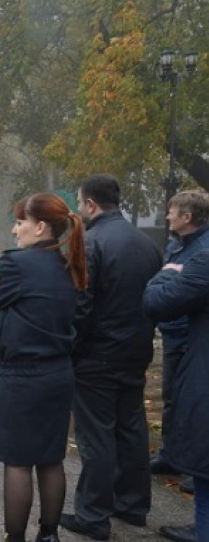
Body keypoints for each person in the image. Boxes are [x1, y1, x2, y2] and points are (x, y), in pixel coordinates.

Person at [0, 193, 87, 542]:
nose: (14, 230)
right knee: (50, 459)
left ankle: (15, 538)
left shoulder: (15, 265)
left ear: (40, 227)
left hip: (22, 376)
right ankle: (49, 535)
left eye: (20, 222)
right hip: (59, 374)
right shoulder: (69, 264)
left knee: (19, 461)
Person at [60, 174, 162, 541]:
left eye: (78, 201)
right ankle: (133, 506)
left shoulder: (88, 243)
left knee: (96, 435)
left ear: (90, 204)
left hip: (97, 356)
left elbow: (81, 306)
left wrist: (69, 347)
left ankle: (92, 515)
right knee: (131, 429)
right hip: (135, 350)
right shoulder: (146, 243)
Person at [148, 191, 209, 542]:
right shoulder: (179, 245)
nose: (167, 216)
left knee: (193, 411)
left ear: (187, 216)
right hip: (180, 339)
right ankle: (178, 457)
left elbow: (158, 298)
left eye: (171, 211)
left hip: (190, 341)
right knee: (175, 402)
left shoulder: (200, 255)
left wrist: (161, 279)